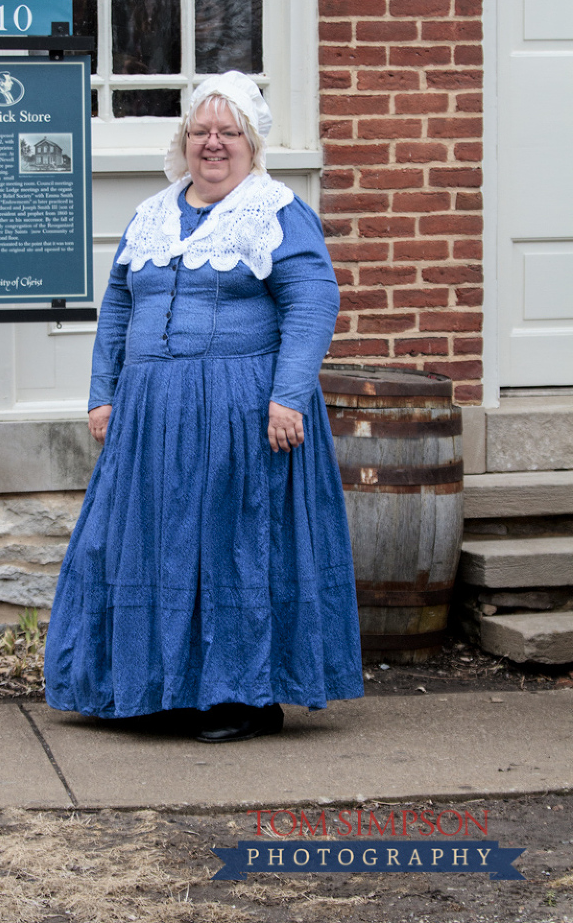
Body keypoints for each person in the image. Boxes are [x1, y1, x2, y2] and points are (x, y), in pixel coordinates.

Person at [44, 72, 363, 743]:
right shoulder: (152, 214)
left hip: (239, 412)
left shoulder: (277, 211)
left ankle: (245, 697)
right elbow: (120, 306)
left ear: (251, 143)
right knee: (153, 547)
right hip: (152, 415)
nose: (212, 143)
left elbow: (313, 303)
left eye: (228, 133)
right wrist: (104, 393)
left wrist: (287, 396)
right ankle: (160, 688)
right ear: (183, 140)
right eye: (200, 131)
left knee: (233, 548)